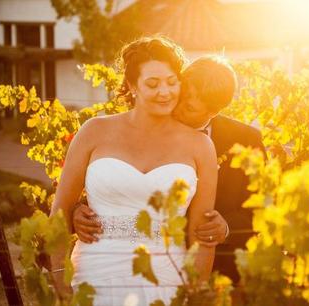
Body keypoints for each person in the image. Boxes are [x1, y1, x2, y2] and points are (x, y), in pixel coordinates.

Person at [49, 36, 218, 306]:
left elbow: (203, 234)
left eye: (172, 82)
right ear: (131, 85)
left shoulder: (201, 146)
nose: (165, 92)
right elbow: (58, 214)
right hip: (93, 275)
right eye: (152, 84)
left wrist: (195, 294)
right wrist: (60, 282)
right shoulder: (94, 131)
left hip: (167, 280)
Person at [73, 55, 265, 284]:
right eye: (181, 94)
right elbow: (112, 185)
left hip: (217, 275)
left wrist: (225, 228)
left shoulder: (246, 141)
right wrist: (76, 210)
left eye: (190, 107)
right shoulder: (137, 122)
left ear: (213, 112)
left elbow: (263, 210)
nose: (177, 105)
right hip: (119, 263)